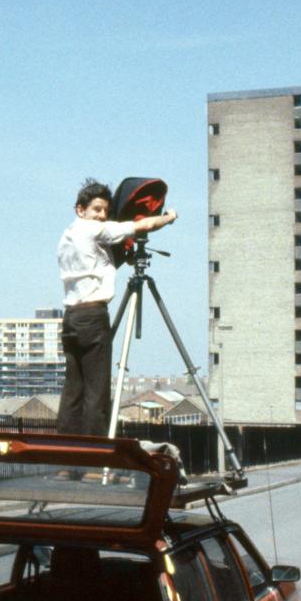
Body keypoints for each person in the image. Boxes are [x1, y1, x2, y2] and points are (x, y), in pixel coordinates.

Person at [56, 179, 177, 437]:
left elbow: (97, 265)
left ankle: (67, 459)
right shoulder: (93, 231)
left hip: (71, 318)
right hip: (93, 317)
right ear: (81, 209)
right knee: (96, 393)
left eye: (104, 212)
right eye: (96, 210)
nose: (101, 216)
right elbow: (143, 224)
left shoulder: (67, 237)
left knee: (73, 392)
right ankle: (93, 462)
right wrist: (168, 218)